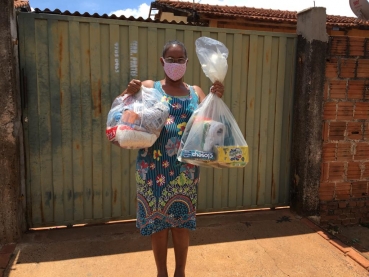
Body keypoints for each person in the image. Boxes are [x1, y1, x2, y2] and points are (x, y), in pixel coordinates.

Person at [121, 40, 224, 277]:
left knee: (180, 224)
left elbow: (210, 124)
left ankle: (180, 273)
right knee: (157, 225)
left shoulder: (197, 92)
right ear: (162, 61)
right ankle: (161, 273)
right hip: (151, 168)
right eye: (171, 59)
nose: (175, 64)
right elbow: (123, 110)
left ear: (187, 63)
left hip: (185, 170)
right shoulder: (148, 87)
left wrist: (216, 98)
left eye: (180, 60)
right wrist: (128, 92)